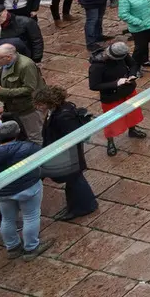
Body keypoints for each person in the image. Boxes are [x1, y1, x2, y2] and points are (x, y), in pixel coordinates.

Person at [34, 85, 98, 220]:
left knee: (75, 181)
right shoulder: (59, 110)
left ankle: (83, 207)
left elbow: (71, 137)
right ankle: (80, 206)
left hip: (69, 156)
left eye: (40, 103)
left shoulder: (63, 115)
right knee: (74, 181)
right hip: (67, 155)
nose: (37, 106)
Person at [0, 121, 49, 258]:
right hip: (28, 188)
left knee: (8, 219)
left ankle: (12, 247)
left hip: (2, 191)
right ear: (17, 133)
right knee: (30, 216)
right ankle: (31, 248)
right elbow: (43, 159)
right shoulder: (28, 147)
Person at [87, 40, 147, 156]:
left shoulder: (121, 54)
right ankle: (110, 142)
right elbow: (94, 85)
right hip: (111, 96)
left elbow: (133, 64)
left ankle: (132, 130)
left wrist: (132, 74)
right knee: (112, 120)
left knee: (132, 112)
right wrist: (116, 83)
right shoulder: (97, 66)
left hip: (128, 90)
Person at [0, 42, 43, 141]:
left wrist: (2, 91)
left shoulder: (26, 66)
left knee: (35, 136)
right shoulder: (5, 64)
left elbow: (30, 89)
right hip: (14, 108)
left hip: (28, 109)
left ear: (8, 57)